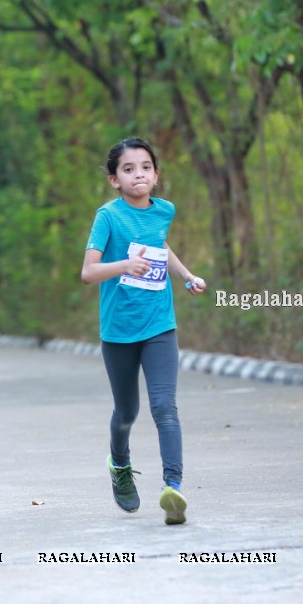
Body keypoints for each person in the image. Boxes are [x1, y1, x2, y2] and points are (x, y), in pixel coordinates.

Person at [80, 137, 206, 526]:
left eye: (146, 167)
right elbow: (88, 273)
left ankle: (174, 488)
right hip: (118, 330)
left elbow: (160, 246)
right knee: (127, 411)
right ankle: (119, 464)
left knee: (164, 407)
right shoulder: (108, 217)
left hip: (159, 324)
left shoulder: (163, 210)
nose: (139, 174)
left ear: (156, 174)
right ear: (114, 179)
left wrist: (185, 275)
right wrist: (124, 266)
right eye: (129, 169)